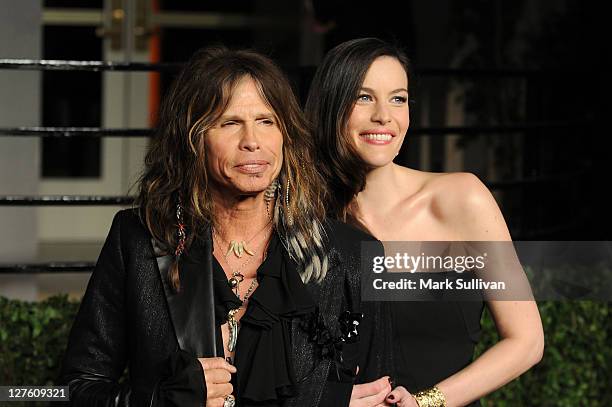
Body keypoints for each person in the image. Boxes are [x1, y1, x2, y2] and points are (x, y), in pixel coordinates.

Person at [60, 46, 390, 407]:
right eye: (230, 123)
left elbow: (374, 391)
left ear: (286, 137)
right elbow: (69, 392)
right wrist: (160, 400)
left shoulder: (353, 256)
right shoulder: (140, 238)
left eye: (267, 121)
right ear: (192, 138)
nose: (252, 141)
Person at [305, 38, 544, 407]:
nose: (384, 115)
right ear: (331, 106)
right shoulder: (305, 217)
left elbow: (526, 341)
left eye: (398, 98)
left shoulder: (461, 199)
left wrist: (427, 402)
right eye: (364, 97)